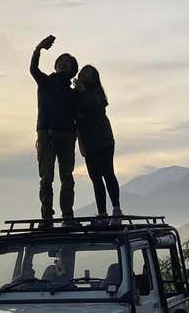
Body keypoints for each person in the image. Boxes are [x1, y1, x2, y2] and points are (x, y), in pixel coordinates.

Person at [30, 34, 80, 228]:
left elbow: (82, 115)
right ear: (57, 66)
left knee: (66, 178)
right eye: (62, 62)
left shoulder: (75, 92)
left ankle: (67, 216)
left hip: (66, 136)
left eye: (68, 63)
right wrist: (39, 49)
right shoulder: (45, 82)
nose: (65, 64)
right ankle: (47, 218)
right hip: (48, 134)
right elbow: (33, 69)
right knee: (47, 178)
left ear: (72, 70)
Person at [74, 65, 121, 225]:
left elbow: (96, 110)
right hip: (88, 143)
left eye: (87, 73)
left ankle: (116, 210)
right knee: (95, 178)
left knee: (108, 174)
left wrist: (82, 92)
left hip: (104, 140)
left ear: (94, 78)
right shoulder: (78, 94)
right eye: (82, 72)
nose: (83, 75)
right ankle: (102, 214)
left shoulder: (97, 94)